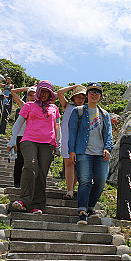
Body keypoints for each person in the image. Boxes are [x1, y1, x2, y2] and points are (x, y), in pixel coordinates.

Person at [11, 81, 60, 214]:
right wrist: (12, 140)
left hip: (48, 143)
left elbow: (56, 127)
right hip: (29, 140)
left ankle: (37, 205)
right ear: (37, 92)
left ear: (51, 94)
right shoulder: (29, 105)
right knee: (30, 166)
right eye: (42, 91)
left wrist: (58, 144)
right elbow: (18, 123)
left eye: (47, 92)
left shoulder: (54, 108)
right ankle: (24, 200)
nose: (44, 94)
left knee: (41, 173)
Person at [68, 82, 113, 225]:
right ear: (87, 95)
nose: (94, 94)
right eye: (91, 91)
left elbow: (108, 133)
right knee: (85, 181)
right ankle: (82, 211)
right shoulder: (78, 111)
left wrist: (108, 148)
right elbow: (72, 132)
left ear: (101, 96)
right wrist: (72, 151)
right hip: (83, 152)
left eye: (97, 92)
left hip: (100, 153)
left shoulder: (104, 114)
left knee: (100, 181)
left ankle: (90, 207)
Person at [57, 84, 87, 199]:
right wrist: (73, 87)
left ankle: (72, 189)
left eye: (83, 98)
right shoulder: (67, 106)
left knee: (76, 165)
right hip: (66, 139)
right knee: (68, 164)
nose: (81, 100)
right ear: (73, 97)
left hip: (79, 140)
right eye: (79, 97)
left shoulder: (86, 109)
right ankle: (69, 191)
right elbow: (60, 92)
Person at [7, 86, 36, 188]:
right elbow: (13, 91)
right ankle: (17, 183)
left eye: (35, 94)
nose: (32, 97)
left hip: (33, 137)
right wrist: (29, 88)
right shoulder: (24, 105)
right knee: (19, 160)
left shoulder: (41, 107)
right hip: (21, 135)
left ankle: (28, 183)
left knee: (30, 162)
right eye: (30, 95)